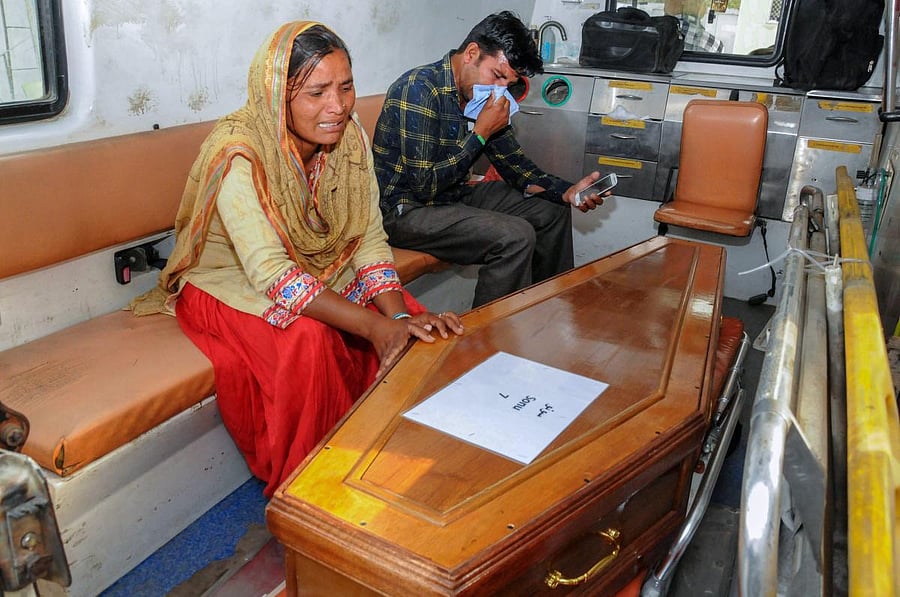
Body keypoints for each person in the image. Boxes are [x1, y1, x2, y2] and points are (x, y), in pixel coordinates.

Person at [130, 21, 463, 497]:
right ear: (276, 96)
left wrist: (401, 319)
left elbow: (368, 236)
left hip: (315, 263)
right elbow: (270, 272)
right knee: (311, 336)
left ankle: (388, 456)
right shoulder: (237, 152)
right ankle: (314, 489)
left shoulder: (349, 137)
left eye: (346, 87)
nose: (338, 106)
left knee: (409, 318)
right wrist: (376, 330)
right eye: (316, 92)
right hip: (227, 279)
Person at [372, 11, 607, 309]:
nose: (499, 92)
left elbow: (516, 166)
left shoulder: (480, 96)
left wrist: (567, 191)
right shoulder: (419, 89)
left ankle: (548, 311)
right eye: (496, 76)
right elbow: (424, 186)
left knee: (551, 210)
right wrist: (481, 132)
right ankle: (486, 341)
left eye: (507, 84)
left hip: (452, 196)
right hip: (405, 210)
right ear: (472, 53)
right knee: (515, 236)